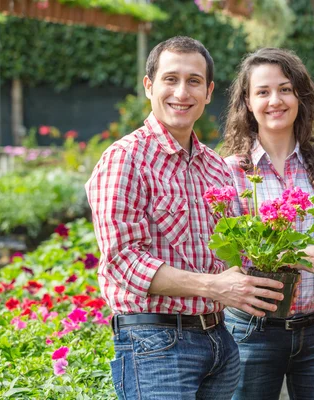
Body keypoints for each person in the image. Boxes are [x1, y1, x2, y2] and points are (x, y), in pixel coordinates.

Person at [85, 36, 285, 400]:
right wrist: (213, 287)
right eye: (170, 79)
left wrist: (296, 252)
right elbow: (123, 263)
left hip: (219, 340)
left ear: (208, 92)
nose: (182, 92)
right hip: (156, 344)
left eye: (194, 81)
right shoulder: (125, 159)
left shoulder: (214, 167)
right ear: (149, 86)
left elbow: (237, 252)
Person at [221, 47, 314, 400]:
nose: (276, 100)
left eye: (285, 89)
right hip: (251, 330)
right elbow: (221, 258)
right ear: (247, 101)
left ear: (300, 97)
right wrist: (297, 251)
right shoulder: (229, 172)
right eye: (263, 91)